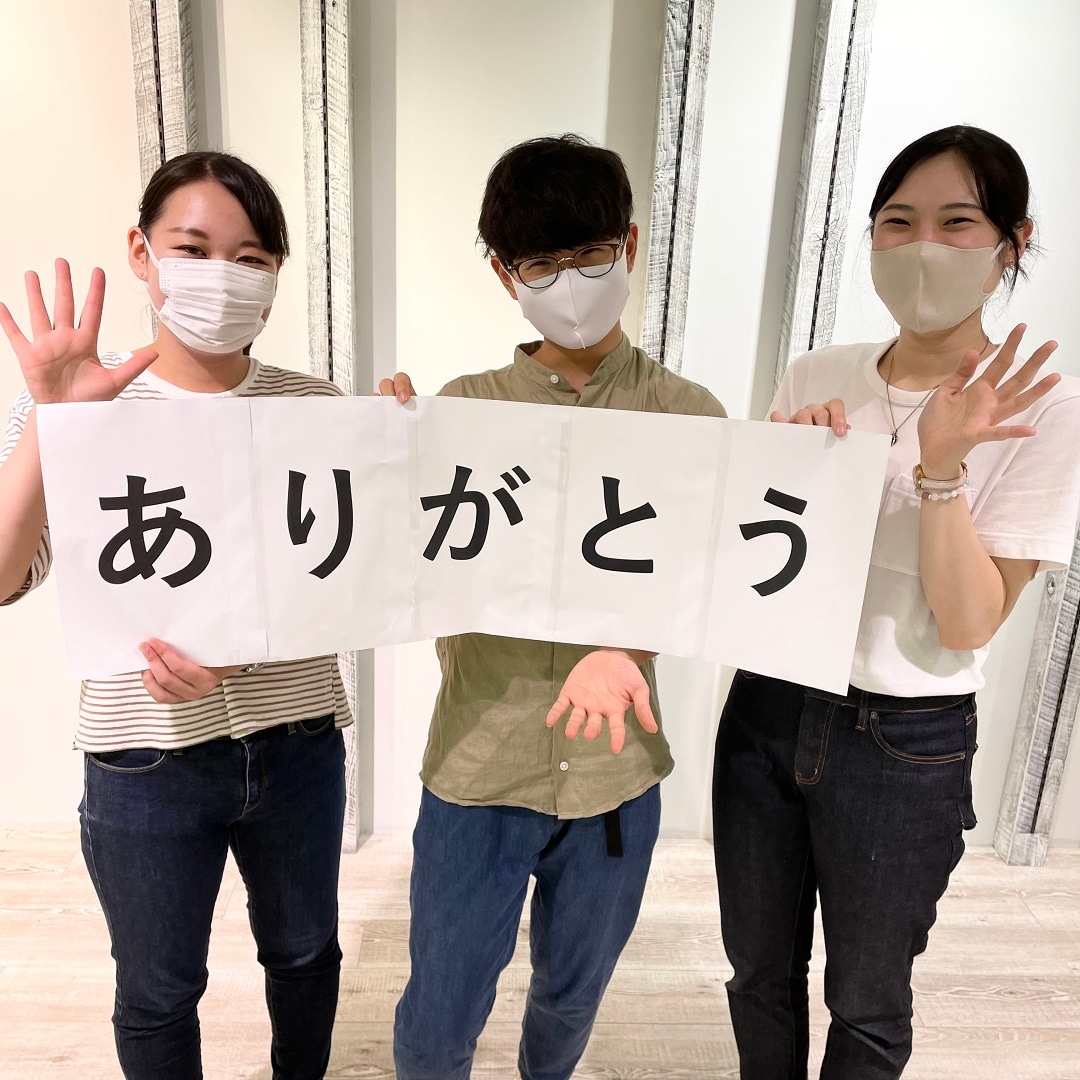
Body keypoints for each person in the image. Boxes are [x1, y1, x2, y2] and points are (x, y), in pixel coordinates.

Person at [0, 151, 412, 1080]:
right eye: (192, 248)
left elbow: (355, 579)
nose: (222, 276)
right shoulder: (77, 399)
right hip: (141, 757)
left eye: (251, 258)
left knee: (304, 955)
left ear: (275, 277)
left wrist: (403, 448)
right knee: (157, 989)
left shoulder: (314, 406)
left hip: (297, 741)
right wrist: (52, 421)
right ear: (141, 253)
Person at [712, 125, 1080, 1079]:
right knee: (757, 975)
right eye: (898, 222)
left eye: (957, 223)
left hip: (903, 739)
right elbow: (755, 566)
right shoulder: (817, 373)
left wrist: (942, 468)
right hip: (767, 707)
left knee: (867, 1003)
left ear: (1013, 243)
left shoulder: (1043, 406)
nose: (923, 247)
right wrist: (784, 469)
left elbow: (968, 622)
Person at [387, 134, 727, 1080]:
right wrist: (379, 456)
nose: (569, 281)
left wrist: (632, 644)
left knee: (572, 999)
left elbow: (709, 584)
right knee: (438, 1015)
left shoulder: (691, 416)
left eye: (589, 253)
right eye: (541, 263)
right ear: (506, 275)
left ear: (629, 245)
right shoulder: (461, 411)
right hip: (479, 765)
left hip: (615, 773)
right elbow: (398, 570)